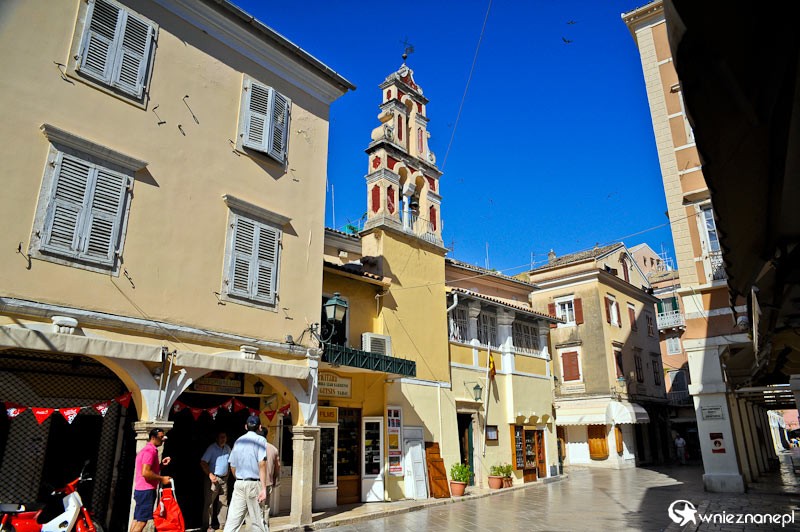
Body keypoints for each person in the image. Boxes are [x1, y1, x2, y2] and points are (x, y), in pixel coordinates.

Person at [224, 415, 268, 532]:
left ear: (245, 426)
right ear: (259, 427)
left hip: (239, 483)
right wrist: (263, 488)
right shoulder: (261, 440)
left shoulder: (239, 440)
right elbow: (262, 463)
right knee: (257, 522)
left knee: (232, 521)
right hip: (254, 484)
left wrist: (238, 479)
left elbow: (232, 465)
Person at [130, 428, 171, 532]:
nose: (163, 440)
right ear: (153, 437)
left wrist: (161, 465)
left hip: (140, 489)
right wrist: (162, 478)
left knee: (137, 519)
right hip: (146, 490)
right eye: (161, 437)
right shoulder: (150, 451)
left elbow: (148, 470)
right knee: (142, 521)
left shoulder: (146, 450)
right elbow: (146, 473)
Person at [200, 431, 231, 532]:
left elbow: (231, 461)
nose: (223, 439)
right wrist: (210, 474)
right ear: (217, 438)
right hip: (213, 478)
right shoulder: (212, 448)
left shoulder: (227, 448)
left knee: (224, 502)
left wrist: (228, 473)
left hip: (224, 478)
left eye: (224, 437)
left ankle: (222, 524)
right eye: (221, 437)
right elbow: (203, 462)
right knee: (209, 503)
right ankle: (207, 526)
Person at [258, 425, 280, 530]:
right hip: (267, 483)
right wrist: (274, 479)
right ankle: (265, 529)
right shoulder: (273, 449)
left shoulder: (254, 447)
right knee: (265, 508)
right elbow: (277, 467)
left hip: (255, 482)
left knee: (253, 509)